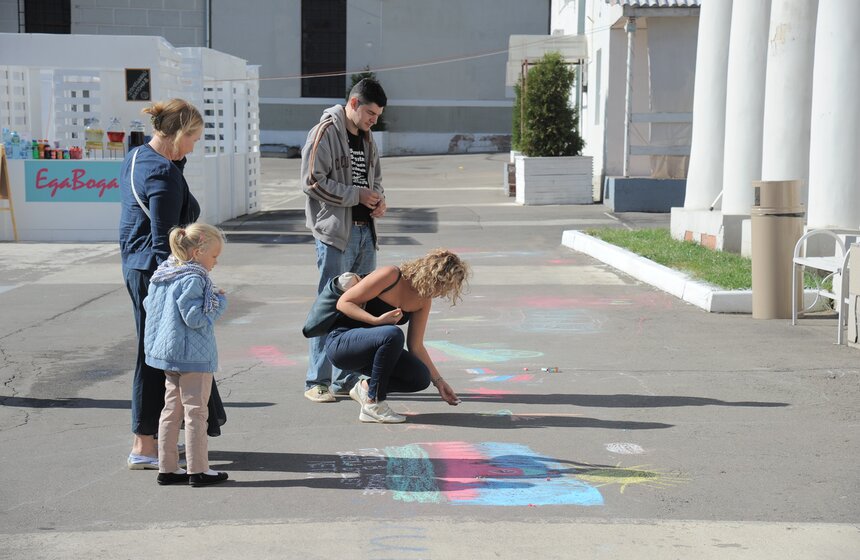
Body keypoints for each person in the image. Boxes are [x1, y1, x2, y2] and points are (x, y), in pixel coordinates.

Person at [119, 98, 225, 470]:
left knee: (160, 354)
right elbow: (167, 241)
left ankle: (155, 440)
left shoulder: (137, 157)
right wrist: (196, 280)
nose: (195, 147)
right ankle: (145, 444)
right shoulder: (164, 175)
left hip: (137, 267)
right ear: (179, 134)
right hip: (156, 273)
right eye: (194, 138)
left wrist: (176, 159)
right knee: (159, 357)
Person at [301, 78, 388, 403]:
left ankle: (345, 379)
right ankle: (317, 381)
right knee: (329, 307)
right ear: (353, 103)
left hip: (366, 233)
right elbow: (311, 181)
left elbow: (375, 179)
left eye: (377, 115)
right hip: (336, 234)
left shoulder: (367, 138)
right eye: (369, 113)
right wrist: (356, 195)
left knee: (359, 306)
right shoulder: (324, 131)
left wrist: (380, 200)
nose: (373, 120)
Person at [325, 249, 469, 423]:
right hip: (342, 343)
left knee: (420, 377)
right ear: (432, 275)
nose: (442, 292)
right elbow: (343, 303)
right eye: (442, 285)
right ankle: (373, 404)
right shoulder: (391, 275)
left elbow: (416, 346)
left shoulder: (423, 300)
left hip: (373, 353)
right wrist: (376, 320)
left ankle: (366, 388)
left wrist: (439, 382)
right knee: (392, 333)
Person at [143, 223, 229, 486]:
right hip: (193, 356)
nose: (215, 262)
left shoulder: (165, 273)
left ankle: (167, 467)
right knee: (196, 412)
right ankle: (198, 469)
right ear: (197, 252)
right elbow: (195, 318)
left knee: (171, 410)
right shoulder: (194, 278)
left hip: (169, 355)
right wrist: (218, 301)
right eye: (213, 256)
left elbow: (149, 304)